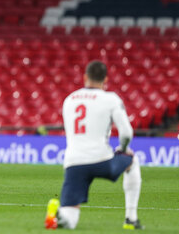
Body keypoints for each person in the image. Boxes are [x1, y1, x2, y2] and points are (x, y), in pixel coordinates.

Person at [45, 61, 143, 230]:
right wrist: (124, 149)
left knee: (70, 221)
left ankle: (60, 217)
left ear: (85, 77)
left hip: (74, 162)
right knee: (132, 162)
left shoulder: (70, 99)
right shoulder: (110, 99)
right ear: (106, 79)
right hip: (102, 160)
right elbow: (126, 132)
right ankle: (130, 219)